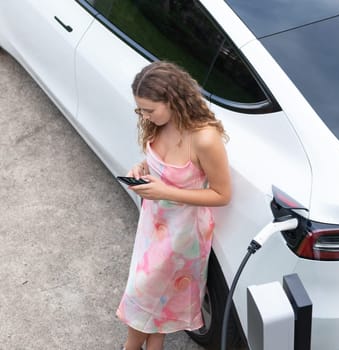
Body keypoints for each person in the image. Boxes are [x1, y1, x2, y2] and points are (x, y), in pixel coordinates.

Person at [116, 61, 232, 350]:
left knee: (143, 296)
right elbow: (162, 166)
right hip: (153, 223)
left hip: (182, 235)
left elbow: (221, 194)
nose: (143, 115)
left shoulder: (204, 138)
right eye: (140, 109)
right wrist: (143, 168)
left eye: (148, 110)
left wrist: (166, 191)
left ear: (173, 100)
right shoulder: (159, 122)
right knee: (158, 302)